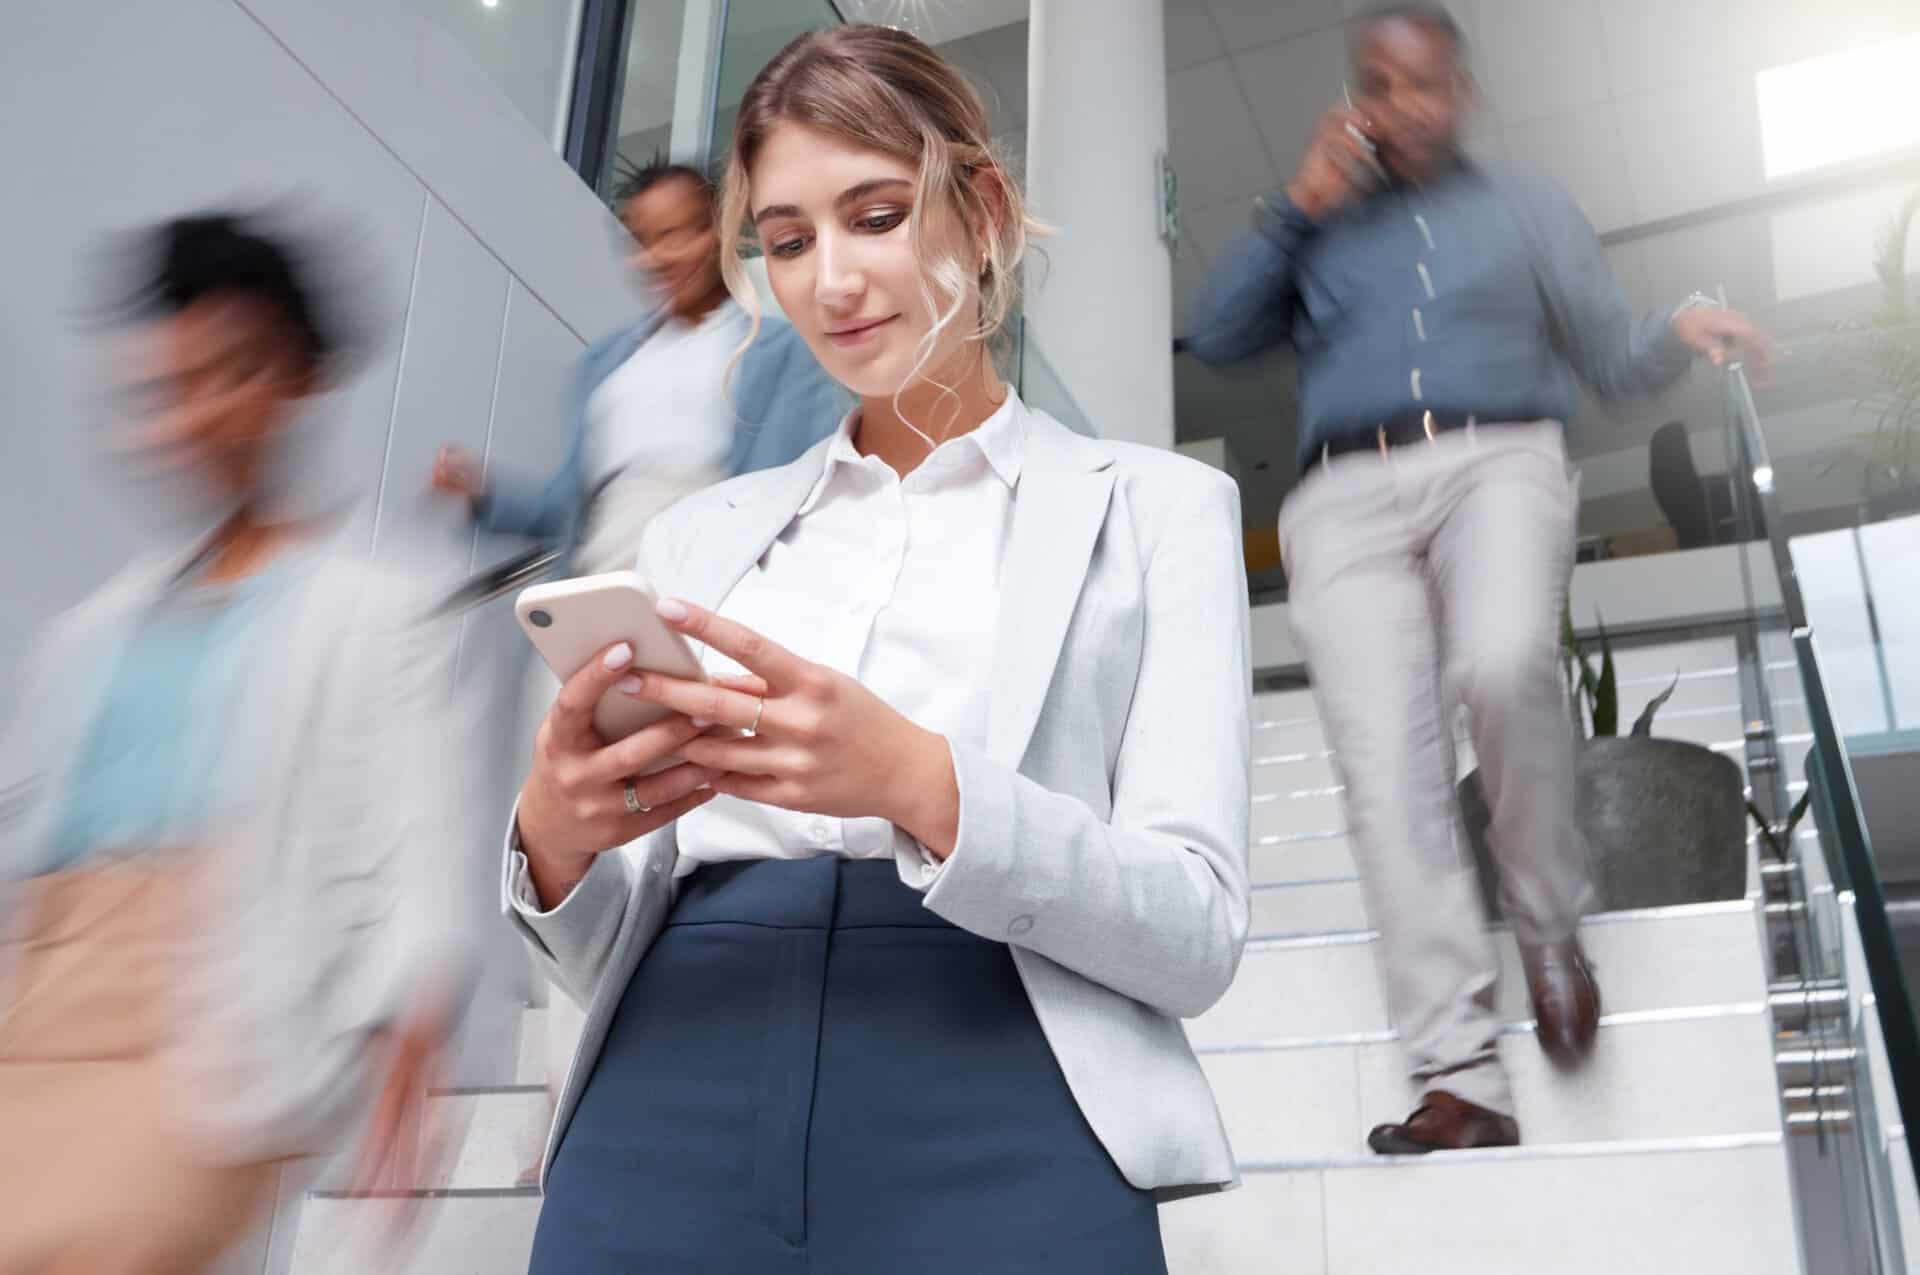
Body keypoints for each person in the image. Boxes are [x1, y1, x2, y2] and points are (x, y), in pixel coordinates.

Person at [501, 24, 1252, 1273]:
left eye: (877, 214)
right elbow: (604, 946)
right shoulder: (699, 537)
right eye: (789, 241)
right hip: (672, 1083)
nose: (832, 281)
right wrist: (560, 842)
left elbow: (1195, 930)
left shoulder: (1155, 509)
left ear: (984, 207)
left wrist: (919, 782)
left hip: (1006, 1092)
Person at [1186, 2, 1775, 1155]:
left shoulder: (1529, 206)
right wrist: (1293, 207)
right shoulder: (1316, 221)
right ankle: (1461, 1080)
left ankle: (1550, 923)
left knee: (1503, 665)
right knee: (1385, 780)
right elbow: (1215, 334)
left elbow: (1608, 353)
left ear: (1463, 91)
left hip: (1498, 459)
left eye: (1425, 84)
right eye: (1380, 84)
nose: (1403, 106)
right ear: (1355, 92)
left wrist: (1679, 321)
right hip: (1341, 498)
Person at [0, 213, 480, 1272]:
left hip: (207, 1027)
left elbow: (428, 843)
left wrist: (412, 1051)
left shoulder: (381, 608)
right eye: (164, 390)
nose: (189, 416)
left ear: (296, 379)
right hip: (41, 1014)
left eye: (225, 375)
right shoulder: (92, 632)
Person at [430, 158, 848, 578]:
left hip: (701, 591)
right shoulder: (606, 366)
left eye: (673, 236)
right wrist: (484, 492)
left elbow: (788, 496)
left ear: (718, 234)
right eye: (641, 241)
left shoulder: (778, 351)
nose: (654, 259)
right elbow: (567, 509)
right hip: (597, 586)